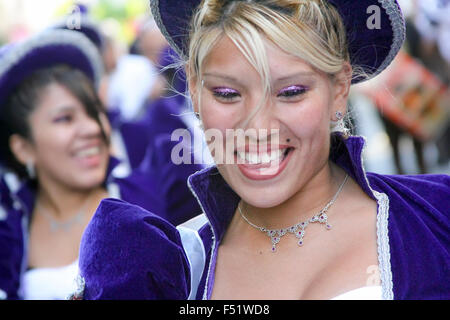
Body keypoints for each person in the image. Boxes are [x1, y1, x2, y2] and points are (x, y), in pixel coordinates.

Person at [73, 0, 449, 300]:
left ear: (338, 90)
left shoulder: (437, 217)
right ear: (194, 90)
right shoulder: (171, 271)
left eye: (291, 92)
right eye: (227, 93)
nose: (258, 126)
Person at [0, 29, 201, 300]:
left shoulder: (163, 194)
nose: (92, 129)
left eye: (95, 112)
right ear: (23, 148)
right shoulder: (9, 240)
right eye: (65, 119)